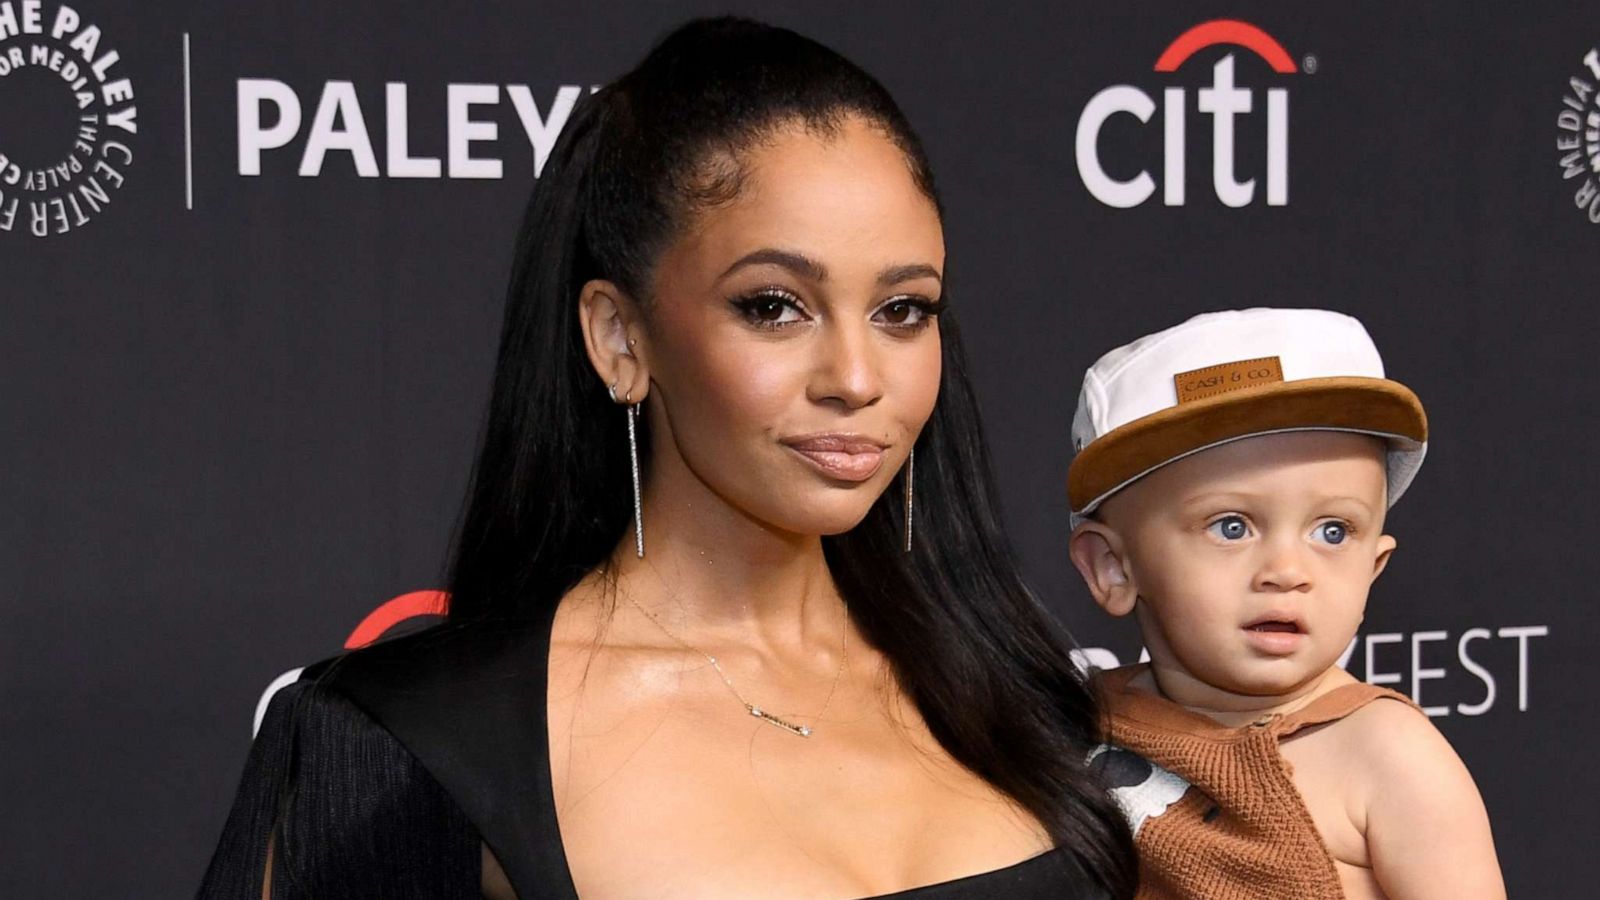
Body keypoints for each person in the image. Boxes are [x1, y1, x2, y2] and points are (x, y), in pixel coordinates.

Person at [198, 17, 1136, 900]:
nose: (857, 376)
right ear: (620, 339)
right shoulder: (413, 744)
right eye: (774, 305)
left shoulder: (1022, 687)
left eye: (904, 311)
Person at [1065, 308, 1504, 899]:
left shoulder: (1389, 758)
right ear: (1113, 568)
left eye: (1332, 531)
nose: (1287, 573)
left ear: (1373, 569)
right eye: (1231, 526)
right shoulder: (1070, 728)